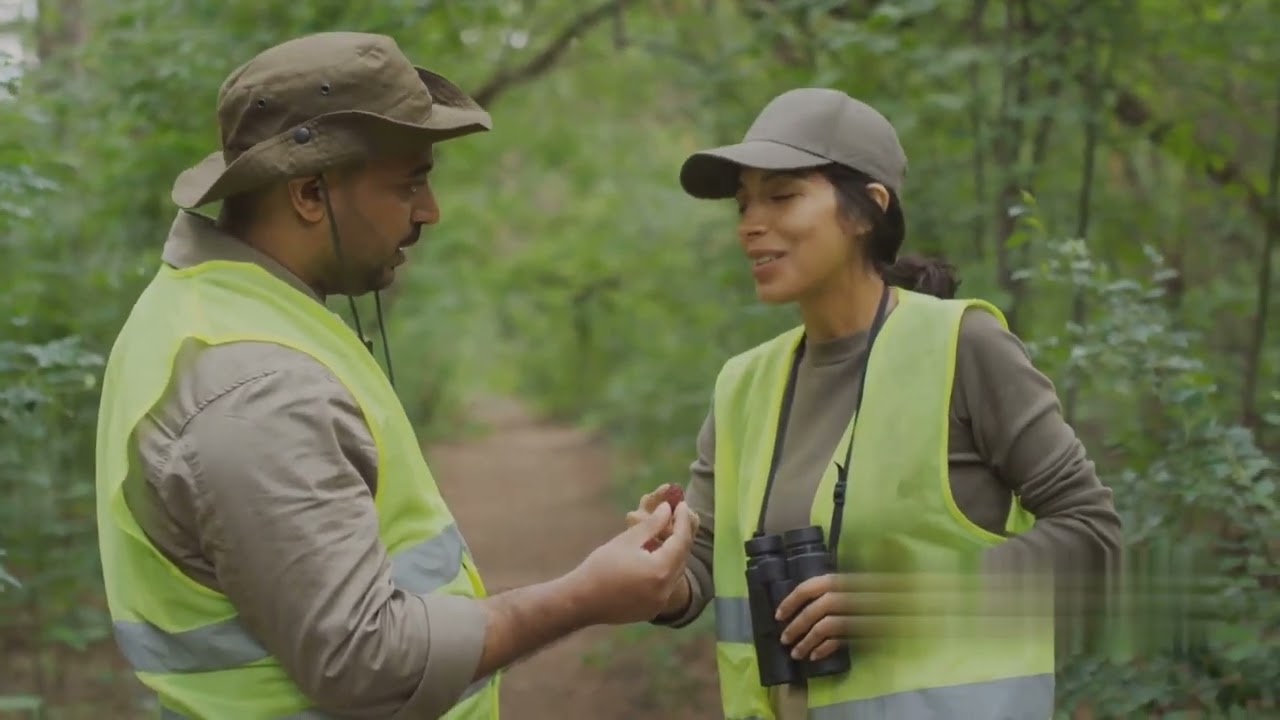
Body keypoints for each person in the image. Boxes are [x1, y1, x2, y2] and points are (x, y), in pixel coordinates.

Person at [94, 31, 697, 720]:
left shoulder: (203, 309)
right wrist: (585, 596)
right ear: (310, 194)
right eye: (410, 182)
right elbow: (367, 663)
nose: (429, 211)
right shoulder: (257, 389)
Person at [629, 88, 1123, 719]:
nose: (751, 223)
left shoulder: (962, 346)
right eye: (744, 202)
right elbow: (701, 569)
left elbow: (1093, 539)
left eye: (782, 196)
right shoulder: (743, 386)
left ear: (866, 211)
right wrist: (660, 578)